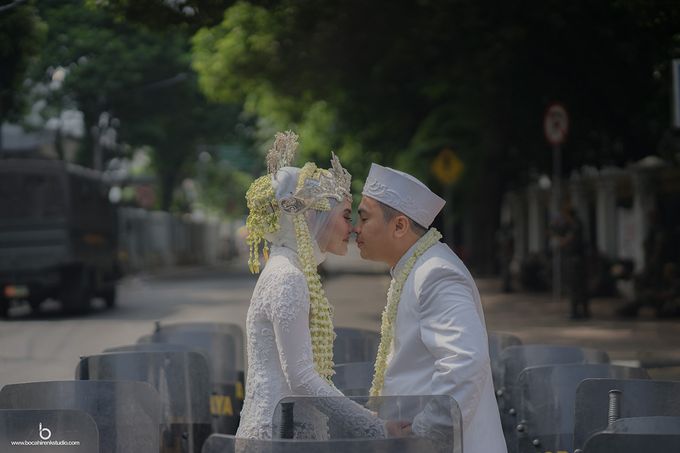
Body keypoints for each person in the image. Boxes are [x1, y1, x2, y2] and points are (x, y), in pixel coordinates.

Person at [236, 132, 403, 440]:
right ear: (313, 217)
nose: (351, 228)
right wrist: (372, 426)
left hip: (282, 430)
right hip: (278, 436)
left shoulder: (290, 269)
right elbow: (300, 379)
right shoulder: (288, 276)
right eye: (345, 216)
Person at [354, 163, 507, 453]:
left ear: (399, 225)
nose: (355, 229)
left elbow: (466, 363)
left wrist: (424, 433)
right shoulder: (415, 269)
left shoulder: (435, 273)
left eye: (364, 218)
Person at [556, 205, 589, 319]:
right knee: (579, 287)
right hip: (577, 259)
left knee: (576, 287)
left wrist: (561, 240)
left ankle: (577, 312)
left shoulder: (575, 225)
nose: (564, 218)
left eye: (565, 215)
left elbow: (567, 240)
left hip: (575, 260)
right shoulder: (574, 224)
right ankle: (582, 311)